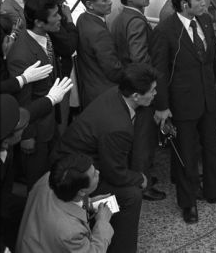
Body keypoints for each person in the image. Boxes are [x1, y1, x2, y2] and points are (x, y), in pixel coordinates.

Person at [150, 0, 216, 224]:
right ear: (184, 4)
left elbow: (213, 58)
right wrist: (162, 106)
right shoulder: (165, 31)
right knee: (186, 155)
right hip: (182, 104)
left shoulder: (206, 21)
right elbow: (158, 72)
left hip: (207, 99)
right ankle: (188, 202)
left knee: (213, 148)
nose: (205, 1)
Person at [50, 63, 157, 252]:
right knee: (132, 195)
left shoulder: (116, 94)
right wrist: (139, 178)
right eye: (153, 90)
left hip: (82, 159)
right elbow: (114, 172)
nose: (155, 93)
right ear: (135, 96)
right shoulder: (117, 126)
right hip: (74, 174)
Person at [6, 0, 75, 188]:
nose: (60, 18)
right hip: (36, 131)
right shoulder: (22, 54)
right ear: (38, 22)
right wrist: (27, 135)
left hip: (50, 123)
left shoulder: (46, 37)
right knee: (36, 184)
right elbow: (23, 100)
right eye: (54, 15)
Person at [111, 0, 166, 202]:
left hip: (130, 88)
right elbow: (139, 58)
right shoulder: (135, 21)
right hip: (140, 90)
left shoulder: (122, 17)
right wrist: (152, 89)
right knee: (144, 140)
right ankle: (142, 184)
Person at [16, 154, 114, 253]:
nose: (98, 172)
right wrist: (102, 222)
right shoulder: (70, 232)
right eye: (94, 175)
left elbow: (74, 197)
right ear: (81, 191)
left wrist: (88, 203)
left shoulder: (50, 179)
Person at [30, 0, 80, 123]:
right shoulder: (48, 16)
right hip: (54, 84)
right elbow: (68, 46)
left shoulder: (57, 8)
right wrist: (70, 22)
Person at [76, 0, 124, 108]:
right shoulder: (99, 32)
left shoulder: (82, 19)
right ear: (90, 4)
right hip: (106, 93)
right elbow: (113, 70)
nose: (110, 2)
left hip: (90, 90)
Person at [0, 95, 31, 253]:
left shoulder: (4, 132)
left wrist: (51, 99)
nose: (25, 128)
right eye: (21, 129)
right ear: (6, 141)